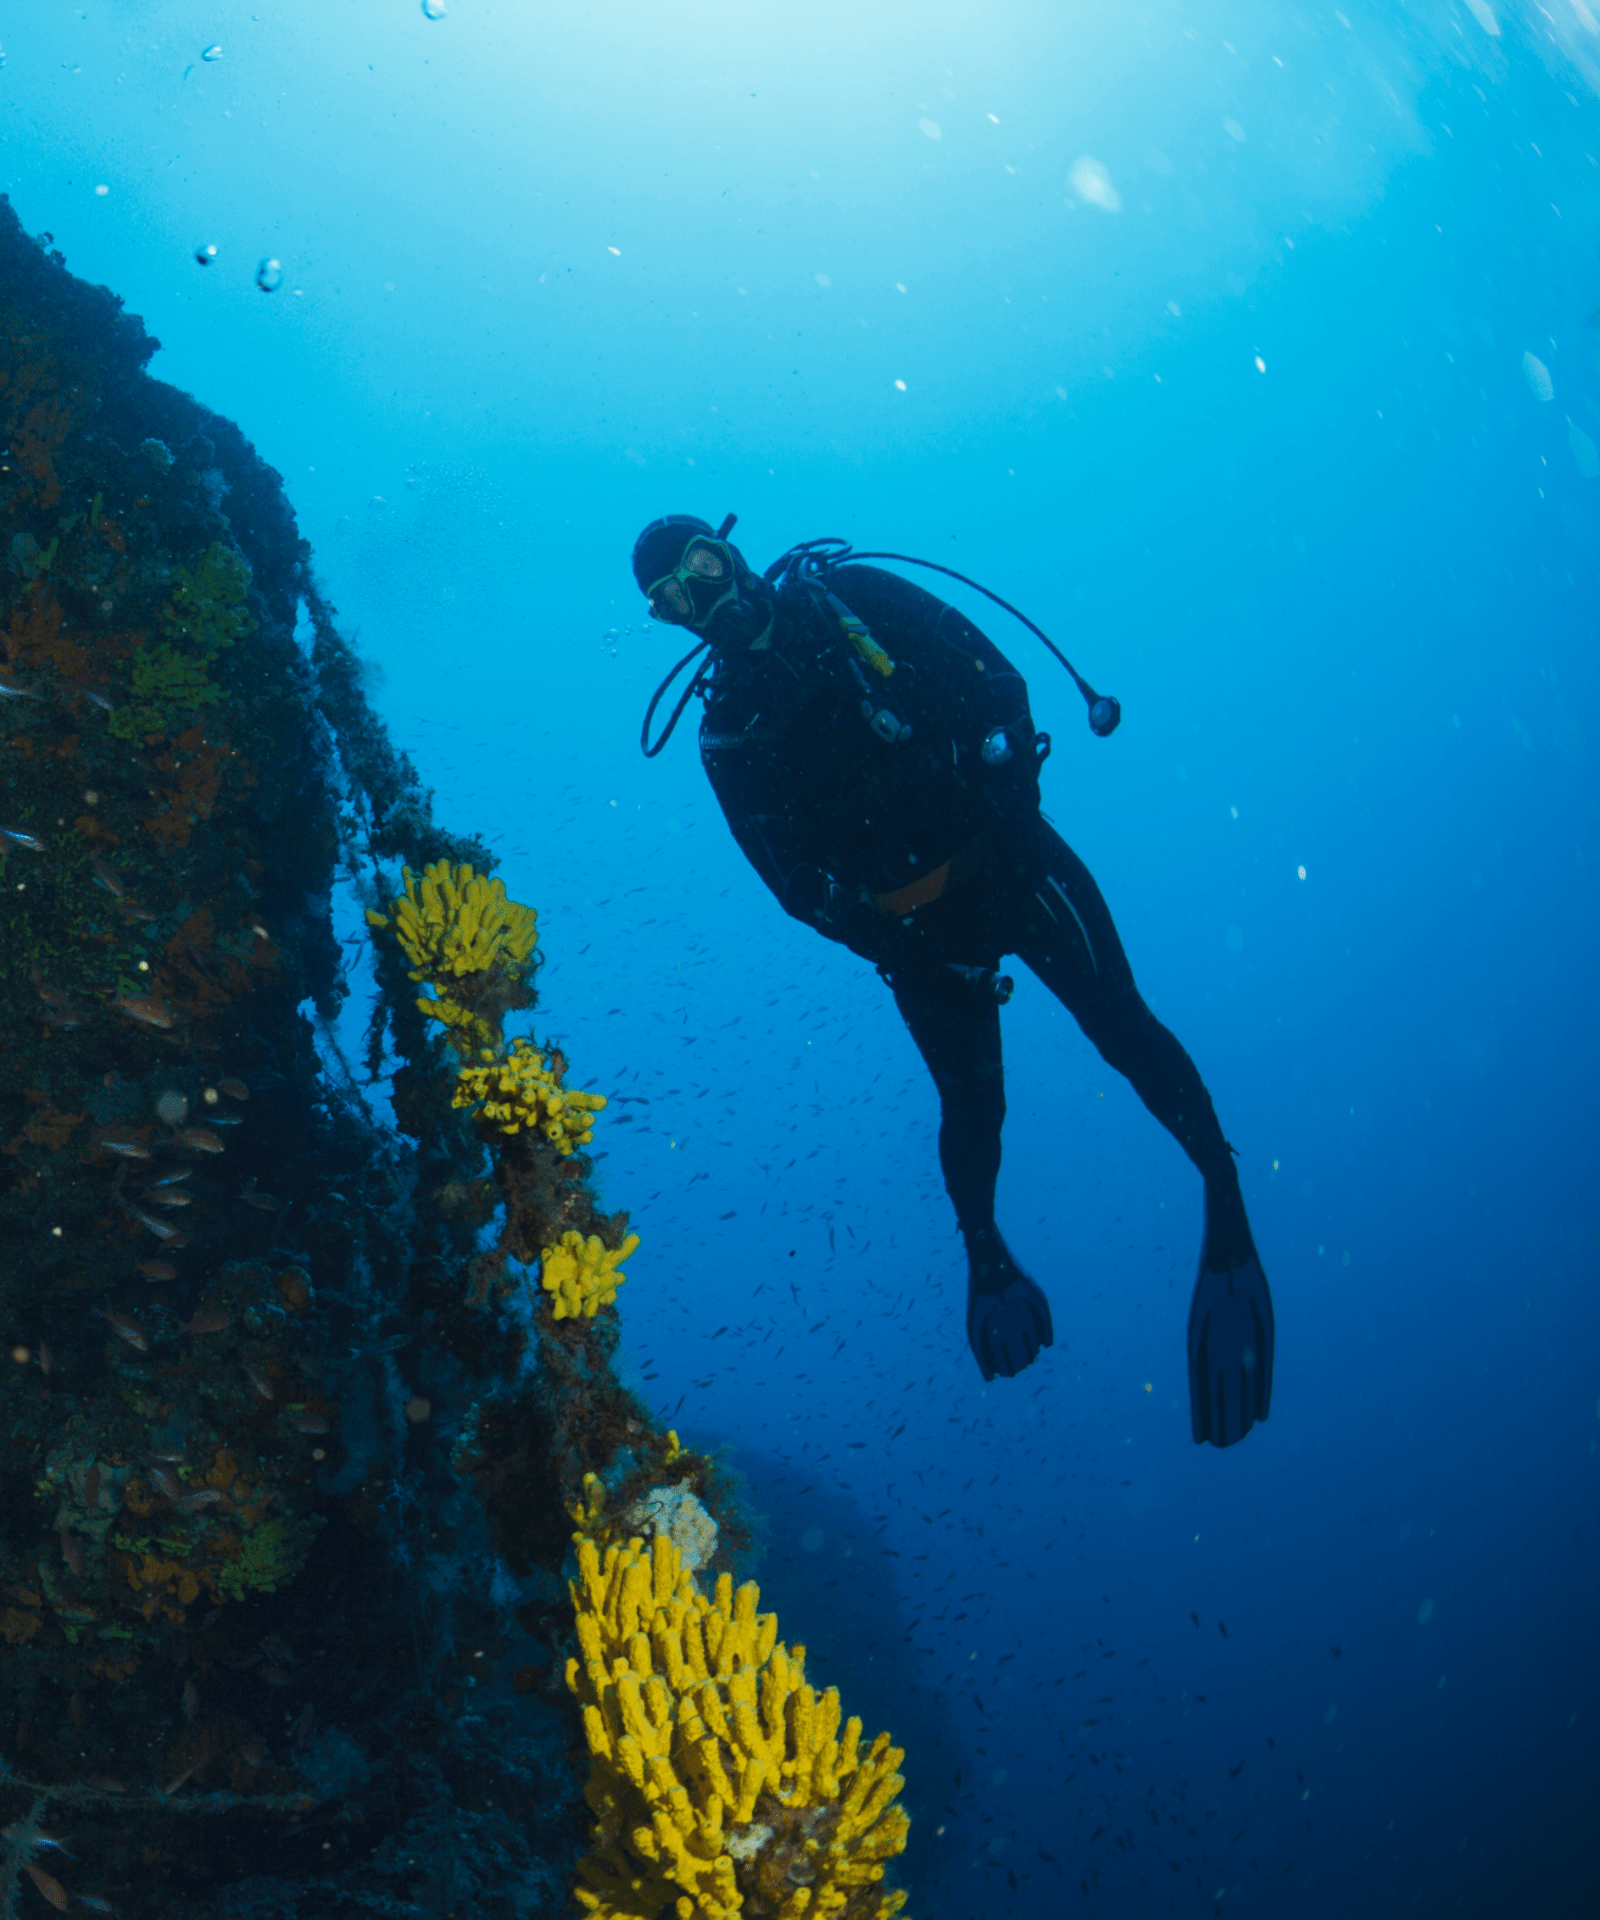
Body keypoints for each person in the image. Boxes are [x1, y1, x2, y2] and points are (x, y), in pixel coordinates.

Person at [630, 514, 1275, 1448]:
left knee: (1123, 1027)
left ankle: (1225, 1199)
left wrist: (1008, 835)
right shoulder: (727, 734)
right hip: (917, 936)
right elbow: (795, 887)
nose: (701, 596)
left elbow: (1001, 684)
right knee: (974, 1109)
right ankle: (987, 1259)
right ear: (668, 621)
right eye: (672, 599)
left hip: (1015, 861)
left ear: (728, 550)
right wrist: (906, 946)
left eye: (702, 566)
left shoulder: (853, 597)